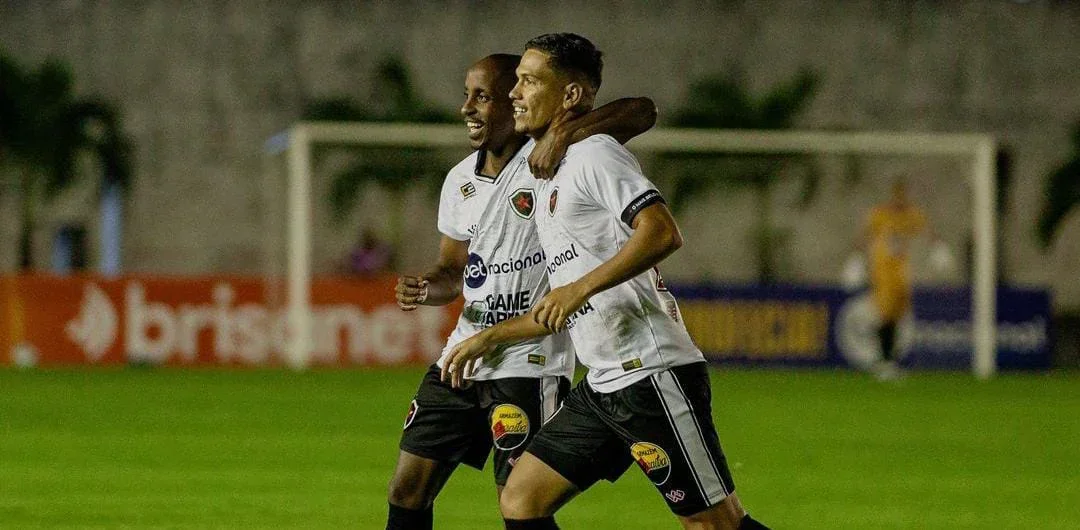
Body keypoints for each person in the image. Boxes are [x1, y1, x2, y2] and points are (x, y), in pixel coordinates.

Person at [444, 34, 768, 530]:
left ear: (570, 95)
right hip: (602, 383)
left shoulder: (594, 155)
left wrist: (579, 289)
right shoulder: (549, 169)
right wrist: (485, 338)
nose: (515, 92)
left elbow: (662, 231)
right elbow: (557, 305)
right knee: (521, 498)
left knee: (715, 525)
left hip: (651, 371)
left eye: (529, 81)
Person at [385, 53, 656, 530]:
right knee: (407, 490)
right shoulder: (459, 181)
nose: (466, 107)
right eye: (467, 95)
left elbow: (641, 110)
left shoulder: (552, 159)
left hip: (530, 360)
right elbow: (453, 269)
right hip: (464, 353)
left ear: (516, 101)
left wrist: (566, 132)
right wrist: (427, 287)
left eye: (482, 96)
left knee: (519, 503)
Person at [859, 177, 937, 379]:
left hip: (901, 272)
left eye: (904, 194)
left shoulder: (911, 214)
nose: (900, 198)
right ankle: (883, 361)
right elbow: (865, 234)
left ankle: (888, 361)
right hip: (883, 271)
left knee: (896, 316)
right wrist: (857, 260)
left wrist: (938, 248)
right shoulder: (880, 214)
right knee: (885, 314)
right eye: (897, 194)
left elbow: (927, 230)